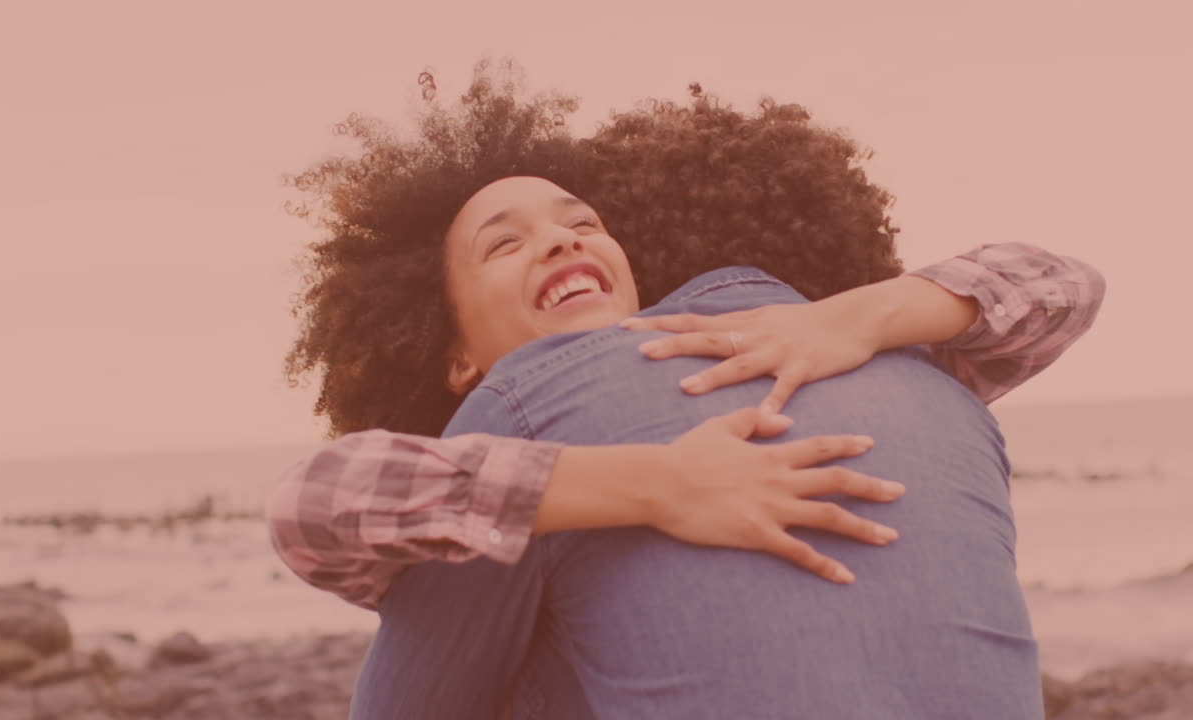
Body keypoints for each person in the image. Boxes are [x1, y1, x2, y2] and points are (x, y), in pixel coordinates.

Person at [267, 60, 1105, 718]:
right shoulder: (928, 382)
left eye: (583, 223)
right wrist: (663, 483)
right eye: (504, 245)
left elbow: (312, 506)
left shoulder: (801, 352)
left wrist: (855, 319)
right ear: (451, 355)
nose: (560, 242)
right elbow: (1062, 286)